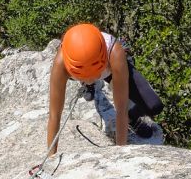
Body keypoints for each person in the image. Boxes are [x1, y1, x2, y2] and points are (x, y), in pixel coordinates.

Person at [47, 23, 163, 155]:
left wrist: (120, 153)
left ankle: (133, 117)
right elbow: (54, 114)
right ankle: (89, 86)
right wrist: (51, 157)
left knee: (154, 106)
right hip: (86, 66)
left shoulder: (115, 52)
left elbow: (121, 108)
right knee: (85, 76)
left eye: (94, 76)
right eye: (86, 78)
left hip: (110, 66)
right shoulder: (61, 63)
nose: (91, 78)